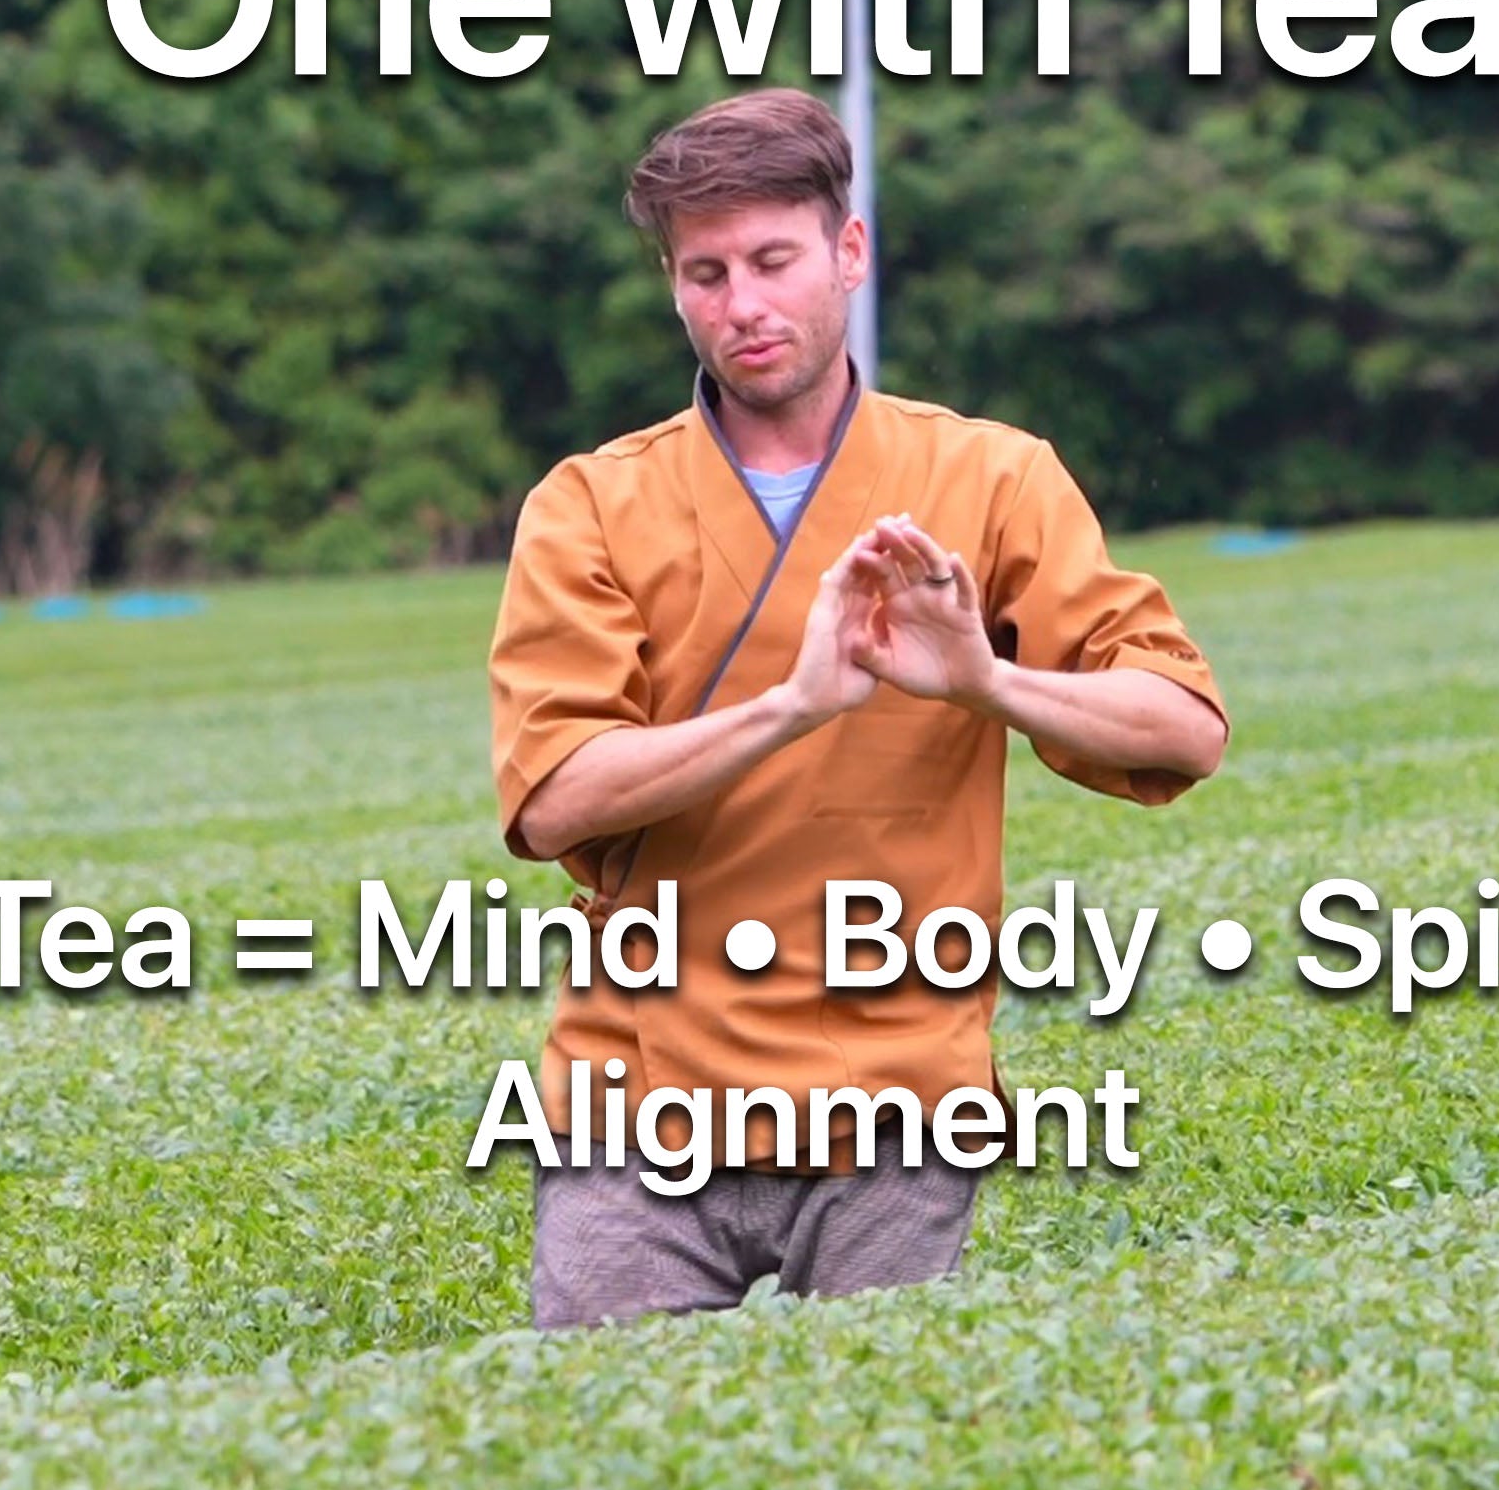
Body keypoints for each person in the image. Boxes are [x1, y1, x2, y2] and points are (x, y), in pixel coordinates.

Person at [489, 87, 1229, 1330]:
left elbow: (1182, 726)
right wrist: (792, 704)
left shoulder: (991, 474)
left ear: (849, 252)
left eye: (772, 260)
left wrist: (984, 681)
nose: (743, 304)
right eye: (705, 272)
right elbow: (556, 792)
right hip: (643, 1086)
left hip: (898, 1087)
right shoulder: (588, 502)